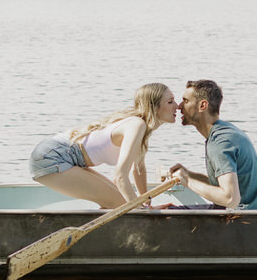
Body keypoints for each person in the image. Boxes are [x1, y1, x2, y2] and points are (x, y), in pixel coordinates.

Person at [30, 83, 179, 209]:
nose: (177, 106)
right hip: (53, 156)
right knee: (121, 203)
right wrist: (140, 210)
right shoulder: (137, 125)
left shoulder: (140, 127)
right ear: (153, 106)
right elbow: (120, 177)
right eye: (170, 101)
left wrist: (146, 203)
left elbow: (138, 169)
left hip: (59, 154)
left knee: (121, 201)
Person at [167, 78, 257, 210]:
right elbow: (223, 186)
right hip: (253, 217)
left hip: (243, 222)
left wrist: (187, 181)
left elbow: (230, 198)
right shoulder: (225, 131)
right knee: (169, 210)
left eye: (186, 101)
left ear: (202, 106)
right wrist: (189, 174)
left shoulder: (220, 142)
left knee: (166, 215)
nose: (179, 106)